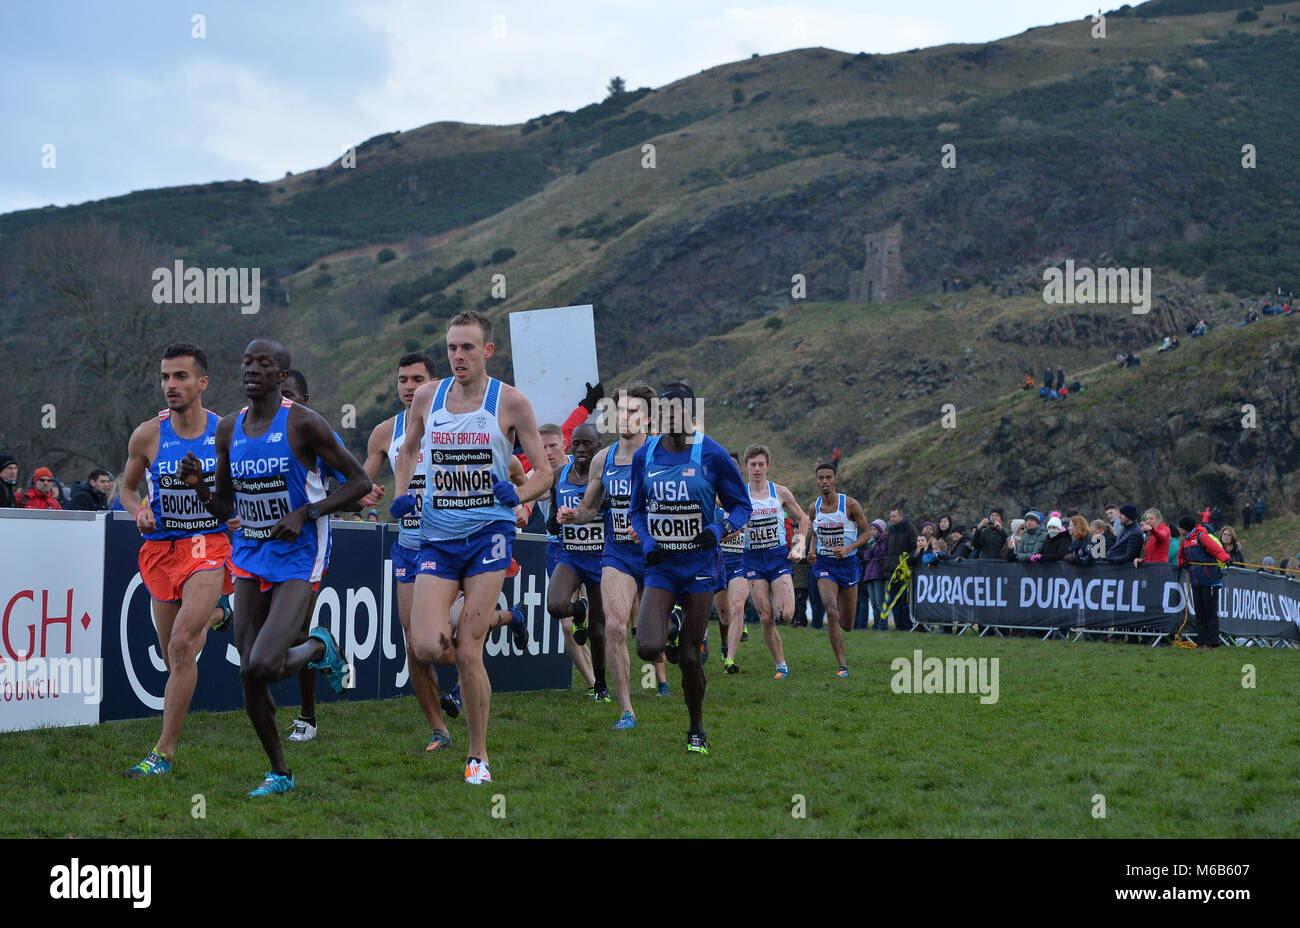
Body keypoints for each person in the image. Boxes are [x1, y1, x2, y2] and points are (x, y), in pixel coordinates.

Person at [193, 337, 374, 796]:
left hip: (298, 553)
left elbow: (360, 483)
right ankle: (279, 771)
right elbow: (224, 505)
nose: (252, 369)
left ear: (280, 376)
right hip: (251, 553)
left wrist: (307, 512)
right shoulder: (228, 429)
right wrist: (198, 488)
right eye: (247, 361)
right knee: (248, 671)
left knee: (267, 664)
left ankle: (317, 647)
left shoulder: (304, 424)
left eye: (264, 364)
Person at [391, 311, 551, 784]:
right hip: (437, 536)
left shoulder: (512, 403)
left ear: (487, 351)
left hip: (489, 534)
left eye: (467, 348)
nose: (458, 357)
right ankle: (505, 620)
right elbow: (406, 450)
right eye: (452, 348)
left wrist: (517, 495)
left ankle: (477, 756)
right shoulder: (428, 397)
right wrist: (402, 495)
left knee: (467, 651)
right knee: (424, 645)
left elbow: (544, 472)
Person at [117, 343, 235, 778]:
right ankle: (216, 614)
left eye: (181, 377)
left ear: (202, 383)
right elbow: (127, 488)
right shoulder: (148, 434)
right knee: (175, 656)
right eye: (166, 377)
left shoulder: (226, 432)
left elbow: (235, 494)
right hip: (161, 549)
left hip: (207, 544)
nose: (171, 385)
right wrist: (139, 511)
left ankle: (163, 752)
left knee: (183, 644)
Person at [356, 353, 470, 751]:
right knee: (414, 643)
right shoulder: (386, 432)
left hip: (451, 543)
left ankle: (482, 649)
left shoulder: (457, 421)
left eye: (416, 378)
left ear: (433, 383)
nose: (408, 386)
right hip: (407, 546)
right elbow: (358, 484)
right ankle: (439, 728)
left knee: (453, 636)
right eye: (402, 379)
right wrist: (362, 495)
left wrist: (517, 504)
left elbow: (505, 469)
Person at [629, 382, 750, 755]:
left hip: (700, 566)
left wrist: (719, 529)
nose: (670, 420)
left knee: (689, 656)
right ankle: (675, 622)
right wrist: (647, 540)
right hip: (662, 566)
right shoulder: (644, 455)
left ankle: (696, 726)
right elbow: (635, 509)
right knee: (648, 647)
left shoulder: (710, 453)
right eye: (663, 413)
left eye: (677, 412)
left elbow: (741, 506)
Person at [559, 382, 657, 715]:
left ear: (647, 417)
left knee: (654, 642)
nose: (625, 418)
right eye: (620, 411)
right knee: (615, 626)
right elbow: (589, 508)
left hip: (660, 554)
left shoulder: (661, 454)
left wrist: (649, 525)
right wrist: (572, 516)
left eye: (633, 412)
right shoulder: (604, 459)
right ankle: (626, 710)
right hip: (618, 554)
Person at [547, 423, 615, 719]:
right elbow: (551, 523)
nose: (582, 450)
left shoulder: (606, 478)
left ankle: (600, 684)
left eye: (588, 444)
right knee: (555, 605)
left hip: (600, 558)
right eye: (577, 444)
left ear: (598, 447)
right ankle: (579, 610)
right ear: (569, 446)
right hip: (571, 555)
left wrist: (596, 510)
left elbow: (615, 510)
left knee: (599, 631)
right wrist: (560, 518)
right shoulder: (557, 477)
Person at [738, 445, 807, 678]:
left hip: (777, 557)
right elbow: (717, 503)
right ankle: (781, 666)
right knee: (765, 617)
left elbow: (804, 519)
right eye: (752, 464)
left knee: (785, 615)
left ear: (768, 466)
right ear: (746, 467)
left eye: (761, 464)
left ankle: (781, 657)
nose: (757, 468)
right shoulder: (739, 493)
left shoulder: (779, 492)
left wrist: (799, 546)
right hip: (753, 559)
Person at [806, 461, 867, 677]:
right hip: (825, 564)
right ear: (817, 481)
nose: (824, 482)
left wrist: (849, 547)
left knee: (847, 623)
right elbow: (814, 533)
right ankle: (842, 666)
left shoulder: (850, 504)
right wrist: (812, 551)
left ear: (835, 480)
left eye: (828, 478)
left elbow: (867, 533)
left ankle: (843, 633)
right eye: (820, 478)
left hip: (848, 564)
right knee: (831, 611)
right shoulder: (814, 507)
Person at [713, 452, 750, 669]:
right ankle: (724, 644)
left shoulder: (746, 498)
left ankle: (730, 658)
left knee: (737, 606)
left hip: (740, 561)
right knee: (724, 616)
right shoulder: (709, 497)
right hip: (718, 561)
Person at [1177, 515, 1231, 649]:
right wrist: (1183, 564)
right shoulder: (1185, 541)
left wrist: (1226, 559)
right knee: (1199, 612)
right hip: (1196, 581)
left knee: (1210, 612)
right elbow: (1180, 557)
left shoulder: (1201, 536)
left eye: (1180, 527)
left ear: (1184, 528)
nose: (1178, 529)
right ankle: (1201, 642)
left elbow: (1216, 550)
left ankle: (1212, 642)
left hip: (1209, 579)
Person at [882, 506, 918, 630]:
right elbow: (887, 550)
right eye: (891, 516)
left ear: (901, 517)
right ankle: (898, 626)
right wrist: (886, 565)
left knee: (904, 600)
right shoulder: (891, 531)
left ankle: (907, 625)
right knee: (893, 599)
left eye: (894, 516)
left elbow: (915, 546)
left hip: (904, 570)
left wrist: (909, 561)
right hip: (892, 570)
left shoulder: (910, 529)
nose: (891, 519)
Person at [856, 519, 887, 629]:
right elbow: (866, 556)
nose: (872, 532)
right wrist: (871, 545)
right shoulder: (871, 541)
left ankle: (883, 625)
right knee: (873, 603)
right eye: (871, 529)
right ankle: (876, 624)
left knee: (879, 602)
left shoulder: (884, 540)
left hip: (878, 574)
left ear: (880, 530)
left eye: (874, 529)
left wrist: (873, 544)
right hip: (869, 574)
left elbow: (879, 554)